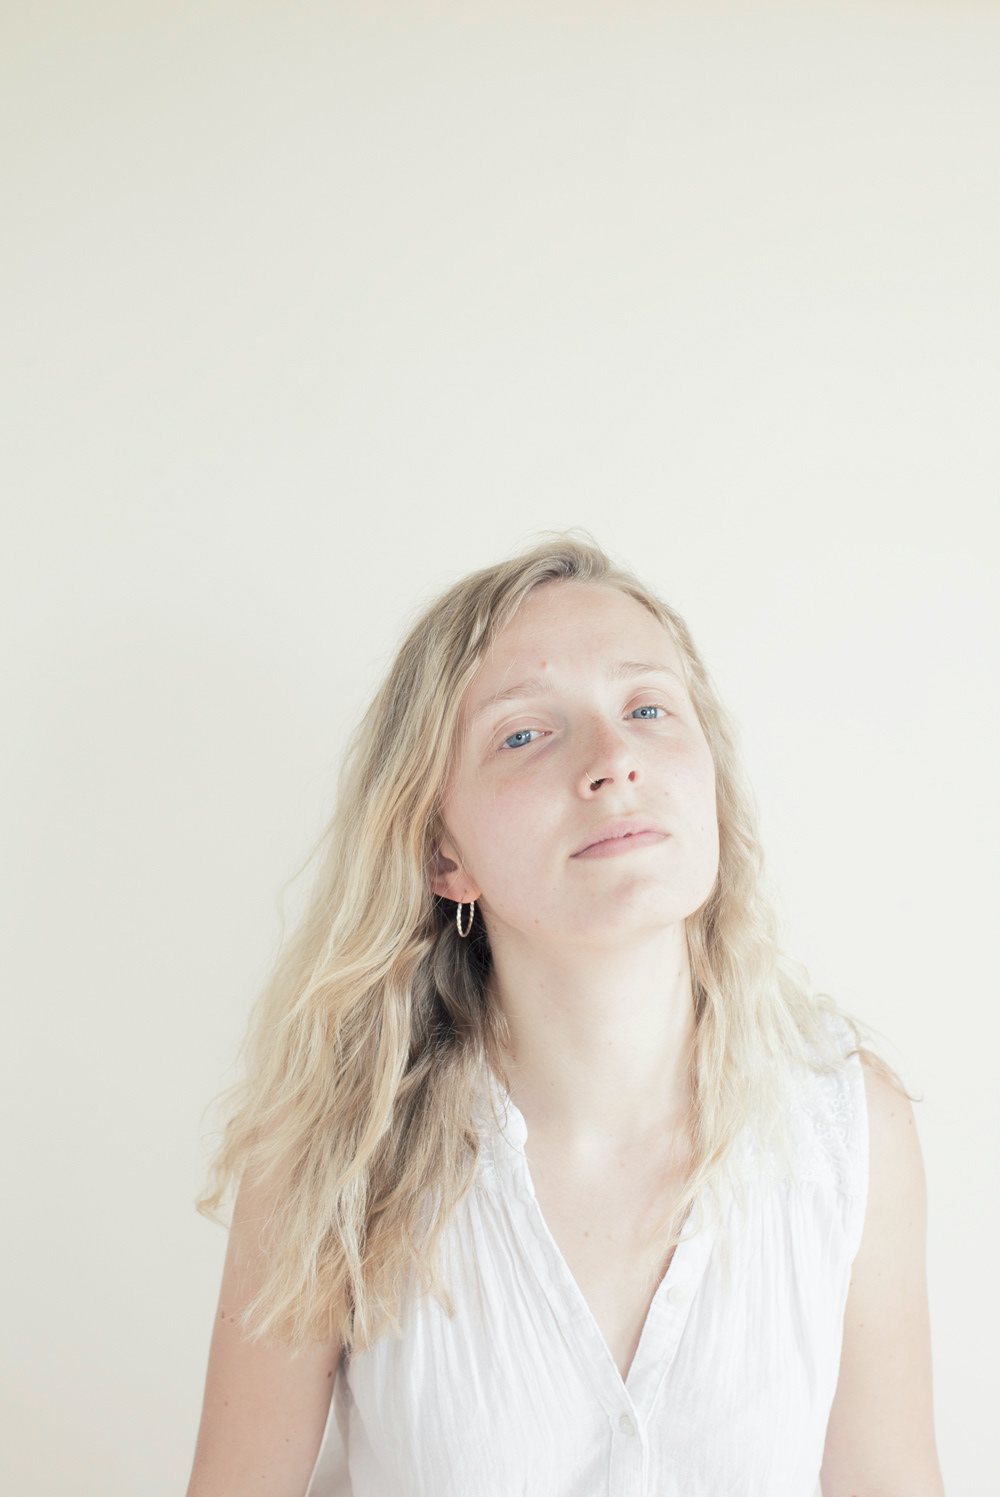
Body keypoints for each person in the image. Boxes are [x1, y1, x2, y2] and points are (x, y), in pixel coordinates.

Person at [185, 533, 945, 1497]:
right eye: (524, 733)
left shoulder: (848, 1131)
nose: (614, 759)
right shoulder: (331, 1151)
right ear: (442, 854)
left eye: (648, 708)